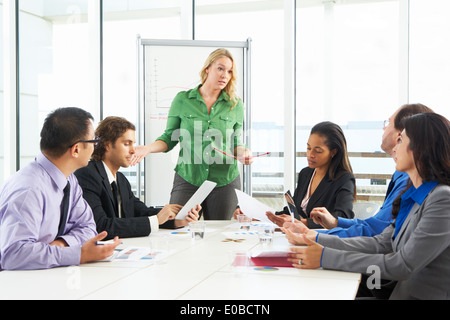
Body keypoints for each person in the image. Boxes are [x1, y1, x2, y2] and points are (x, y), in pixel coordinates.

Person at [285, 112, 450, 300]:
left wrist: (325, 257)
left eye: (401, 141)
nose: (395, 148)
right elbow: (381, 242)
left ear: (420, 148)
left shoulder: (442, 199)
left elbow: (403, 264)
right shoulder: (414, 194)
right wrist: (317, 239)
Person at [130, 48, 253, 220]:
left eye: (230, 71)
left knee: (218, 235)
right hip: (189, 177)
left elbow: (236, 142)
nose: (225, 75)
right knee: (178, 226)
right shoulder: (183, 100)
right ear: (207, 68)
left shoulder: (235, 104)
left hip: (224, 180)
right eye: (220, 68)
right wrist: (147, 148)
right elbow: (169, 138)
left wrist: (243, 153)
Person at [277, 103, 434, 238]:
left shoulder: (413, 182)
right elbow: (377, 229)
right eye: (308, 148)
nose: (384, 127)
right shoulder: (402, 175)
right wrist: (333, 224)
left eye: (389, 123)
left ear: (401, 135)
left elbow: (380, 235)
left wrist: (315, 236)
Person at [0, 107, 121, 270]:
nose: (95, 146)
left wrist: (60, 245)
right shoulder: (29, 189)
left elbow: (88, 227)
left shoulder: (69, 179)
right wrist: (79, 254)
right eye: (94, 141)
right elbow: (14, 255)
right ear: (76, 149)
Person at [75, 116, 200, 239]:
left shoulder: (121, 180)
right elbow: (101, 225)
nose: (133, 151)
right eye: (126, 144)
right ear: (107, 145)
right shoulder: (87, 175)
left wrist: (176, 218)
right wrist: (157, 220)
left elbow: (141, 212)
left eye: (133, 144)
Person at [263, 121, 356, 228]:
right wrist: (261, 215)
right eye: (308, 148)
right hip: (300, 235)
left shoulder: (344, 179)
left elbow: (343, 218)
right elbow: (294, 211)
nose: (310, 155)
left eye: (318, 151)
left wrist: (304, 223)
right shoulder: (306, 173)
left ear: (333, 152)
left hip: (323, 238)